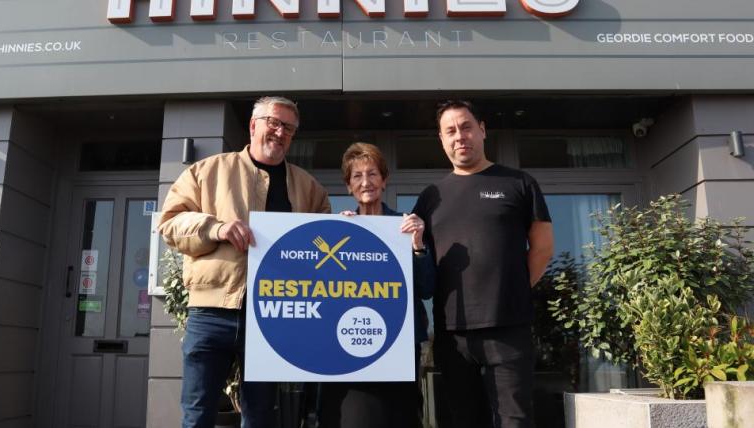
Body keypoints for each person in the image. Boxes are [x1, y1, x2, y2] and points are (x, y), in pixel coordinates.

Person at [158, 96, 331, 428]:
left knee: (261, 415)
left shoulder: (309, 188)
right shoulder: (207, 171)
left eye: (289, 128)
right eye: (274, 123)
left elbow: (323, 240)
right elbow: (169, 225)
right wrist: (216, 227)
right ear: (254, 125)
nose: (280, 133)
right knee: (197, 414)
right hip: (211, 311)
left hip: (272, 315)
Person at [413, 100, 554, 428]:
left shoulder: (519, 183)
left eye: (466, 127)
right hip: (451, 334)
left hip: (508, 326)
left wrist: (511, 289)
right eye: (450, 131)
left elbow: (543, 248)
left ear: (482, 129)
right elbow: (419, 258)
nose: (459, 136)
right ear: (441, 139)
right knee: (463, 420)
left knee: (514, 420)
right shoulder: (430, 197)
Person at [319, 142, 434, 428]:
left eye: (372, 174)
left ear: (384, 180)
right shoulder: (338, 229)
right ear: (348, 187)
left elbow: (427, 288)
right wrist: (335, 237)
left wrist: (418, 245)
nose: (365, 182)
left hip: (399, 341)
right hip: (347, 341)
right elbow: (326, 289)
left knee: (400, 416)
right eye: (357, 176)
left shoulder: (406, 226)